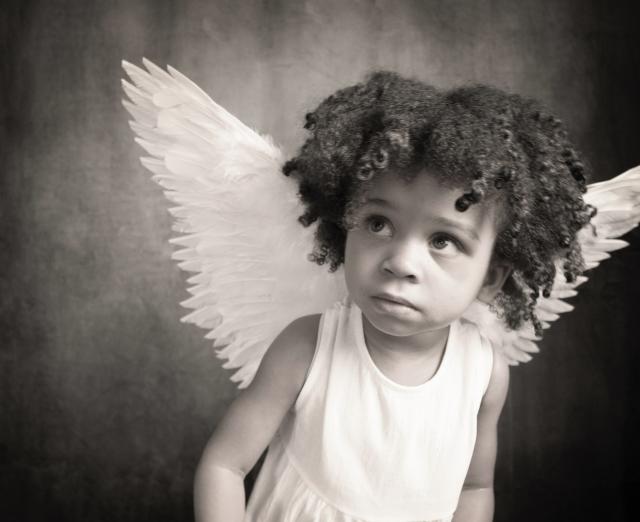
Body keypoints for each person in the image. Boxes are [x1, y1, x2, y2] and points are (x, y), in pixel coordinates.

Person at [192, 72, 595, 521]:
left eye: (443, 241)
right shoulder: (306, 347)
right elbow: (225, 465)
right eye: (379, 224)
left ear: (490, 279)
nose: (400, 262)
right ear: (344, 225)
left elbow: (474, 487)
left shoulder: (484, 372)